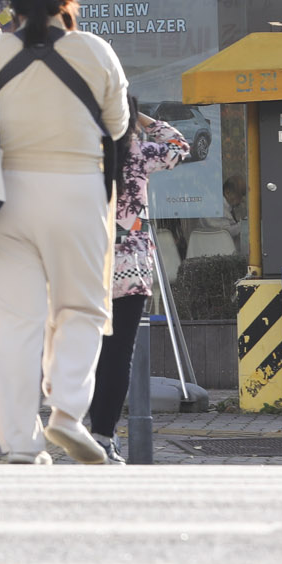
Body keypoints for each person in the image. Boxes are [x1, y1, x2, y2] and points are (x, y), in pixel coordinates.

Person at [0, 0, 128, 464]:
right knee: (81, 308)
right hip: (76, 192)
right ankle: (68, 413)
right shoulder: (94, 51)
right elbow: (116, 126)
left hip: (0, 195)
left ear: (13, 2)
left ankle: (20, 445)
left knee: (12, 323)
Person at [86, 95, 191, 463]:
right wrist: (144, 119)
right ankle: (102, 435)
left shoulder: (81, 154)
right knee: (118, 357)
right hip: (130, 270)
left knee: (86, 353)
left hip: (85, 266)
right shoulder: (141, 152)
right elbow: (180, 145)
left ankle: (76, 426)